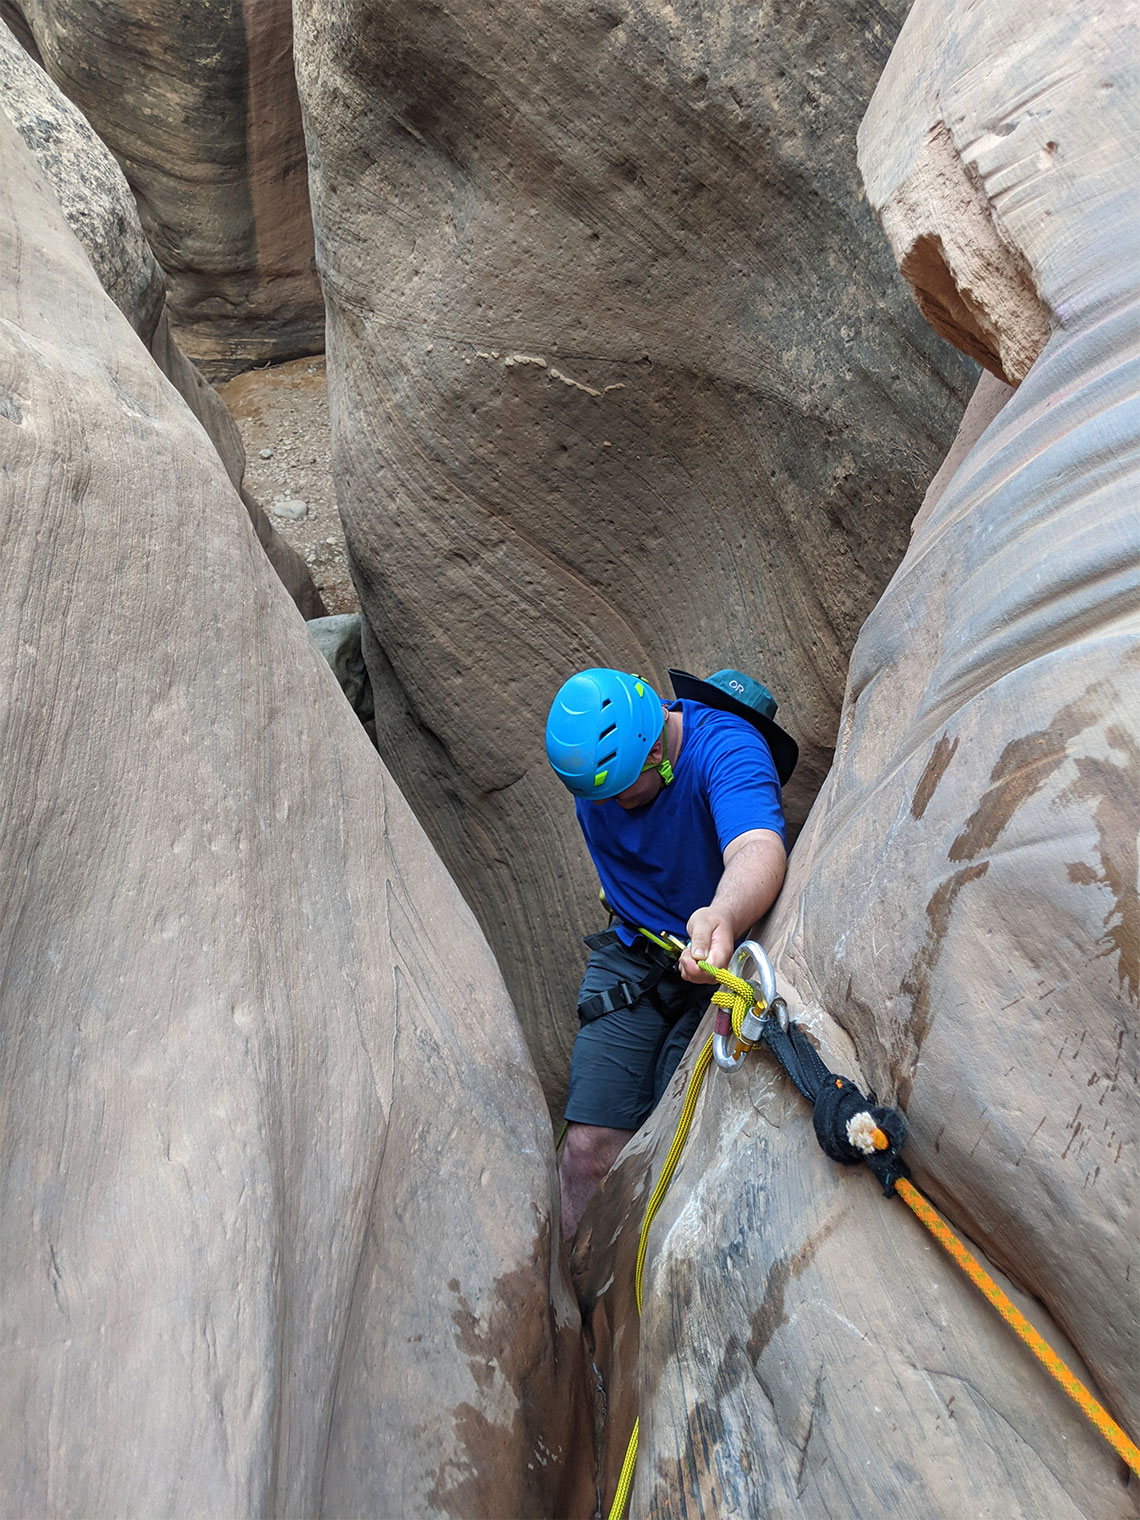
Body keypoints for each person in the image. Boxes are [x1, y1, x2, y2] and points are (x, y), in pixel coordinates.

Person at [545, 665, 798, 1239]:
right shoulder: (602, 761)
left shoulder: (727, 747)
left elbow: (757, 847)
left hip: (718, 954)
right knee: (586, 1153)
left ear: (655, 748)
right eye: (595, 796)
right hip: (638, 952)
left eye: (620, 792)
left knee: (676, 1136)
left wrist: (722, 916)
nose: (609, 806)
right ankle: (568, 1300)